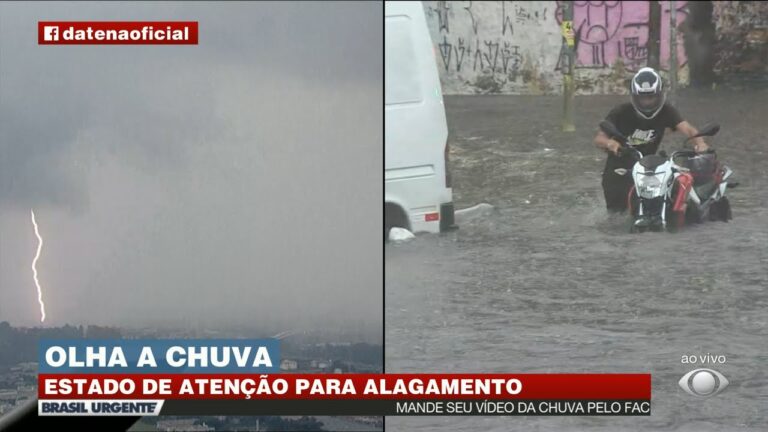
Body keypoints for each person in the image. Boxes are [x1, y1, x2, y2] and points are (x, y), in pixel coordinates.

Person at [593, 67, 709, 212]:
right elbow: (599, 138)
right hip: (619, 169)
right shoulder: (621, 112)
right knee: (617, 213)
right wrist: (610, 143)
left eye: (651, 97)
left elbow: (688, 129)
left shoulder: (667, 111)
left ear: (659, 95)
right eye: (643, 98)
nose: (647, 102)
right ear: (635, 96)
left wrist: (700, 143)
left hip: (648, 168)